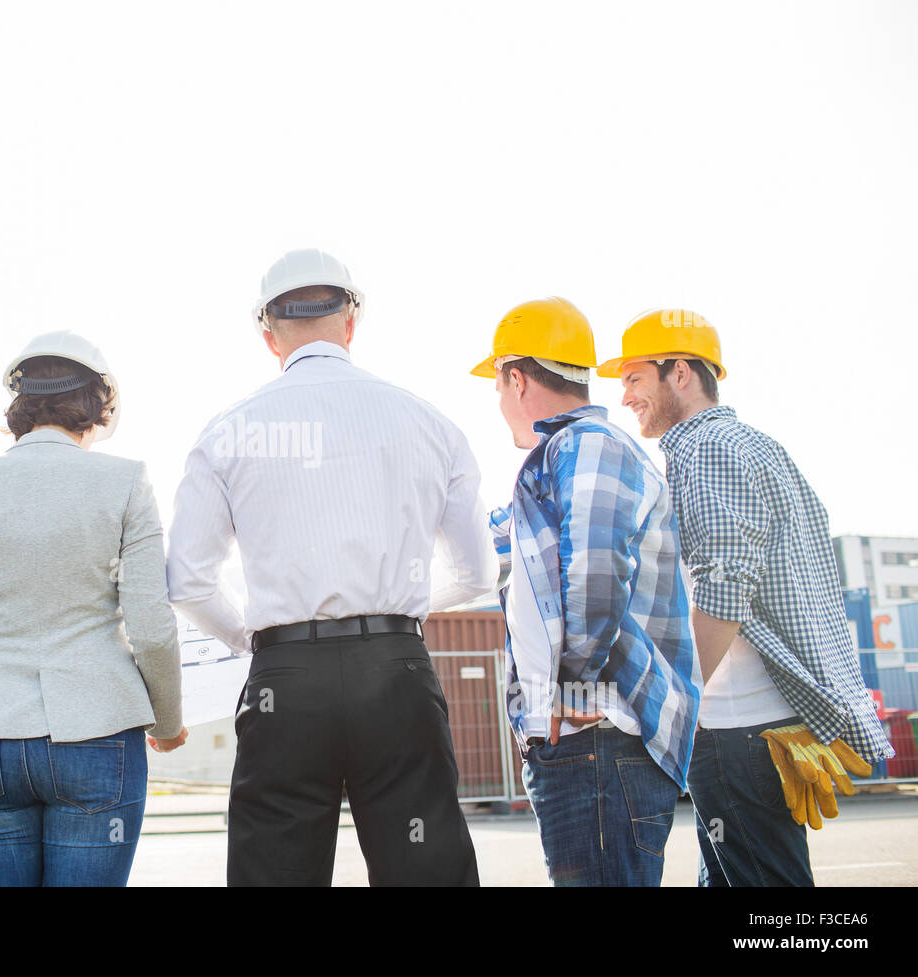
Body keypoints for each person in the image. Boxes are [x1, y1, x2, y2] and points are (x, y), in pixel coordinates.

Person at [167, 249, 491, 886]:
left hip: (283, 679)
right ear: (352, 321)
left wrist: (251, 638)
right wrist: (401, 611)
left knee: (275, 871)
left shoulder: (228, 431)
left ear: (268, 335)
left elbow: (186, 580)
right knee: (424, 869)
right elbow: (479, 574)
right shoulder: (431, 423)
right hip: (396, 671)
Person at [600, 309, 893, 886]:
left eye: (635, 377)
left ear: (679, 372)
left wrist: (678, 701)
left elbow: (725, 582)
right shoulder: (760, 446)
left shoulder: (703, 448)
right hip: (764, 724)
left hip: (735, 731)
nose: (626, 395)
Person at [0, 331, 186, 887]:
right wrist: (167, 720)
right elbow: (153, 632)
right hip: (98, 736)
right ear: (100, 405)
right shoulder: (126, 482)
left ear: (18, 404)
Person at [474, 297, 701, 886]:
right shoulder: (564, 458)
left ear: (516, 379)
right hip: (585, 740)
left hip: (599, 738)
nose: (498, 404)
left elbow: (597, 572)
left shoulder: (589, 446)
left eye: (497, 386)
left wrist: (571, 684)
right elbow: (492, 553)